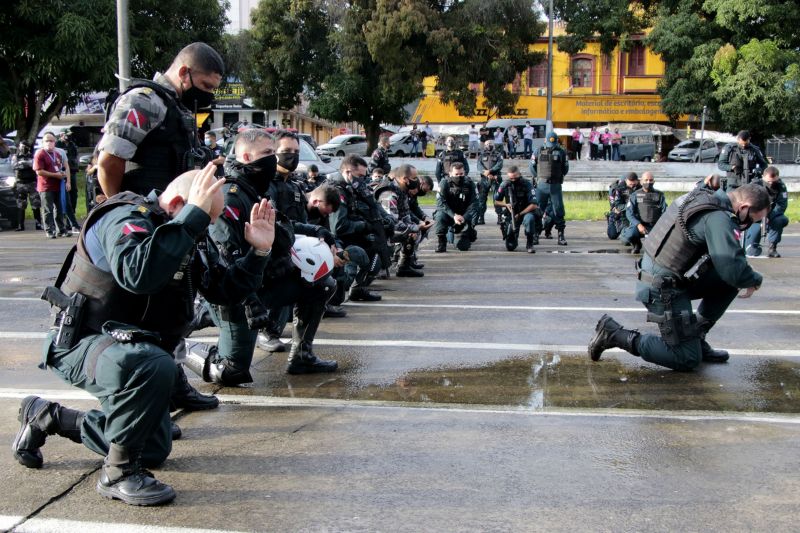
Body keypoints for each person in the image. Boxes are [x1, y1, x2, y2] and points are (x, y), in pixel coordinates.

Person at [13, 164, 273, 506]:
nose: (209, 225)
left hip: (128, 352)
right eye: (208, 216)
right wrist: (192, 218)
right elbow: (138, 274)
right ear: (181, 203)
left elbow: (223, 291)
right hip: (83, 344)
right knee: (153, 364)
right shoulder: (125, 218)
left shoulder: (182, 230)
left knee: (152, 448)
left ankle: (48, 416)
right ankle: (118, 473)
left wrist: (259, 252)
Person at [188, 128, 338, 383]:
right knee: (231, 371)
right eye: (268, 153)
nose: (274, 159)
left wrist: (319, 231)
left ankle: (302, 356)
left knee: (321, 285)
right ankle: (179, 350)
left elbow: (281, 225)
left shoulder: (258, 190)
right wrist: (250, 300)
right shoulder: (231, 197)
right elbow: (226, 260)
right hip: (237, 295)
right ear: (246, 156)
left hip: (260, 283)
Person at [589, 183, 770, 371]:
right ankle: (613, 334)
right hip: (661, 287)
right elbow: (732, 267)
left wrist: (743, 276)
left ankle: (696, 337)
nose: (750, 224)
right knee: (686, 357)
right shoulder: (717, 218)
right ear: (744, 208)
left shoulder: (704, 197)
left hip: (670, 277)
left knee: (729, 282)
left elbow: (730, 267)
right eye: (753, 219)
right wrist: (755, 279)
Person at [97, 42, 224, 197]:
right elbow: (109, 162)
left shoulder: (176, 107)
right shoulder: (143, 101)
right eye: (206, 85)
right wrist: (120, 207)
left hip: (165, 211)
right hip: (141, 213)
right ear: (184, 72)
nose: (208, 93)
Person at [329, 154, 394, 301]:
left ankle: (359, 289)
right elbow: (338, 226)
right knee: (352, 270)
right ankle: (338, 291)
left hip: (352, 234)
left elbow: (372, 205)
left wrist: (384, 219)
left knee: (376, 253)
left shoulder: (352, 187)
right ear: (347, 172)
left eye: (364, 176)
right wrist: (364, 225)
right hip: (337, 239)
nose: (363, 179)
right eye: (359, 175)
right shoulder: (337, 191)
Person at [306, 185, 369, 317]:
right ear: (317, 202)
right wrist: (328, 255)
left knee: (352, 254)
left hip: (313, 252)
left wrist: (337, 248)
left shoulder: (320, 212)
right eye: (325, 213)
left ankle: (323, 303)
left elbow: (329, 235)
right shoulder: (299, 209)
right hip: (298, 255)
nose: (326, 216)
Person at [374, 163, 424, 277]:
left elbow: (405, 214)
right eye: (414, 178)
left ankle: (404, 266)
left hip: (388, 229)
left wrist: (415, 226)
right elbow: (392, 223)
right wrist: (413, 227)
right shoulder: (389, 194)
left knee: (413, 231)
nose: (417, 181)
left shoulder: (401, 190)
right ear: (405, 179)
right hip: (380, 231)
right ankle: (383, 263)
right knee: (411, 230)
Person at [530, 131, 569, 245]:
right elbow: (532, 166)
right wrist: (539, 177)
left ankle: (561, 235)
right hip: (542, 185)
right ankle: (536, 234)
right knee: (538, 209)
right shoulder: (538, 151)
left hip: (555, 185)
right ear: (545, 141)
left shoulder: (561, 152)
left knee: (559, 209)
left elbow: (565, 168)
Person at [745, 166, 789, 258]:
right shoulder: (754, 185)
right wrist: (760, 215)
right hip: (755, 217)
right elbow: (747, 203)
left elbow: (782, 205)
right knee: (751, 252)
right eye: (769, 182)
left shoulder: (781, 186)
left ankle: (772, 248)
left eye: (774, 181)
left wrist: (769, 216)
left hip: (772, 215)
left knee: (780, 220)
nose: (771, 184)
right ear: (763, 177)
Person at [494, 166, 538, 253]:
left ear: (519, 174)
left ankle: (530, 243)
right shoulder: (504, 184)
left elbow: (534, 205)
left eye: (515, 178)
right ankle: (513, 237)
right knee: (510, 247)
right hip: (512, 213)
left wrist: (520, 214)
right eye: (511, 178)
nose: (513, 180)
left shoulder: (527, 184)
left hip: (525, 211)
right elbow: (496, 201)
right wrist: (506, 205)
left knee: (529, 219)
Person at [620, 171, 667, 254]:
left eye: (651, 180)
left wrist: (661, 226)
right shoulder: (635, 195)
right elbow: (629, 213)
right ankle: (637, 245)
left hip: (655, 225)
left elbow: (665, 212)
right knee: (629, 235)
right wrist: (638, 225)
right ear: (641, 182)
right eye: (646, 180)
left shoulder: (660, 195)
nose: (648, 182)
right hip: (640, 226)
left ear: (654, 182)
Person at [434, 162, 476, 253]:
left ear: (464, 172)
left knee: (463, 246)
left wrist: (464, 217)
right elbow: (441, 202)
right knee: (439, 215)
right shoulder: (444, 183)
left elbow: (474, 203)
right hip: (449, 214)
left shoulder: (470, 183)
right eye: (456, 174)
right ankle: (441, 242)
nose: (459, 176)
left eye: (461, 174)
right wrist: (454, 215)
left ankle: (468, 231)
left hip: (463, 215)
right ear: (450, 174)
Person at [33, 132, 67, 239]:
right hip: (46, 186)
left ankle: (61, 229)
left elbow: (60, 167)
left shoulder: (57, 154)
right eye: (46, 141)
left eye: (51, 141)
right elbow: (39, 171)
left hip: (57, 186)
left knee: (59, 208)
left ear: (55, 142)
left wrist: (62, 174)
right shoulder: (40, 154)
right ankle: (49, 230)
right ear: (43, 142)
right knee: (48, 209)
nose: (49, 143)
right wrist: (54, 175)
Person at [11, 140, 43, 232]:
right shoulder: (15, 156)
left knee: (36, 204)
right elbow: (14, 166)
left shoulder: (33, 156)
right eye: (21, 146)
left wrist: (23, 164)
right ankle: (20, 225)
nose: (22, 148)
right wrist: (27, 164)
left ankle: (38, 224)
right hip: (20, 183)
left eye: (24, 146)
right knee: (21, 205)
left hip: (32, 183)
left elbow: (34, 166)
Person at [476, 139, 503, 225]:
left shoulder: (498, 155)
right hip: (484, 179)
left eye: (490, 143)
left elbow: (499, 165)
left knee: (497, 198)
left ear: (493, 145)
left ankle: (499, 217)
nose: (489, 145)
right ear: (484, 146)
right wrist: (487, 174)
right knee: (481, 199)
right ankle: (481, 218)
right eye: (487, 144)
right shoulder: (481, 155)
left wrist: (490, 171)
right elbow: (479, 166)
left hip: (495, 179)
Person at [606, 172, 640, 240]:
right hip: (620, 213)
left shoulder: (640, 187)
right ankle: (612, 221)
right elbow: (616, 206)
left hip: (635, 212)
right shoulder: (617, 188)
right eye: (631, 184)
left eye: (634, 184)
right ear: (626, 180)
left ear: (637, 181)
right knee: (612, 235)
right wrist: (630, 205)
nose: (632, 186)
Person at [56, 132, 80, 224]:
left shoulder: (72, 145)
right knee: (63, 195)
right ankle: (62, 216)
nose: (69, 137)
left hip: (72, 171)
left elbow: (75, 157)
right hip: (60, 171)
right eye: (67, 135)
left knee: (74, 193)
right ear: (62, 135)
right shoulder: (58, 145)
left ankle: (72, 214)